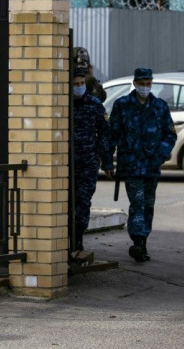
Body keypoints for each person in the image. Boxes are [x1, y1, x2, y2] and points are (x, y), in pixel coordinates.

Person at [109, 68, 176, 262]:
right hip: (131, 165)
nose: (145, 87)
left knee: (148, 205)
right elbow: (112, 135)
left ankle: (143, 241)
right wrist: (107, 162)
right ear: (135, 83)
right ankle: (137, 241)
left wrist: (161, 154)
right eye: (142, 84)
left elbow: (170, 134)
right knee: (137, 203)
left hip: (152, 166)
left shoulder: (159, 106)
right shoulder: (122, 105)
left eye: (148, 84)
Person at [71, 68, 114, 252]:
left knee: (83, 200)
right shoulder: (61, 104)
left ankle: (78, 237)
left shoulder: (94, 104)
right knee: (65, 200)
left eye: (81, 84)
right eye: (75, 84)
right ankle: (65, 238)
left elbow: (105, 131)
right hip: (66, 163)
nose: (79, 87)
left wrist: (104, 158)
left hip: (88, 162)